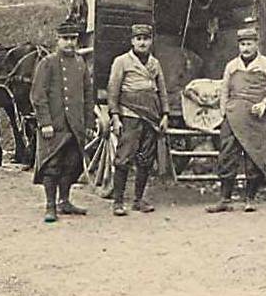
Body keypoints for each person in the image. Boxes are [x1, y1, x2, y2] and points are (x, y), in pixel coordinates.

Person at [207, 26, 266, 213]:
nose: (246, 48)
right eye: (242, 44)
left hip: (256, 118)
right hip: (233, 118)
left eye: (249, 43)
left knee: (254, 157)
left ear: (257, 44)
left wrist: (265, 104)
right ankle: (225, 199)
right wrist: (224, 113)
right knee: (227, 156)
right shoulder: (232, 66)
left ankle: (250, 199)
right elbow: (224, 91)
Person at [30, 19, 94, 223]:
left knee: (72, 164)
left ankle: (64, 201)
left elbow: (87, 95)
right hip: (54, 125)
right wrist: (45, 122)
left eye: (73, 39)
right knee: (52, 165)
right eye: (65, 39)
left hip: (74, 125)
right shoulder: (47, 63)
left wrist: (89, 123)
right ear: (57, 40)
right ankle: (50, 206)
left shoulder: (80, 63)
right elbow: (38, 95)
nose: (69, 43)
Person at [107, 23, 170, 216]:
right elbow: (113, 90)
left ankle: (138, 200)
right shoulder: (122, 61)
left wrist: (165, 114)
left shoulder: (155, 63)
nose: (142, 43)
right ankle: (117, 202)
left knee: (146, 159)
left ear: (151, 41)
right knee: (124, 157)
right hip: (130, 114)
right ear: (132, 41)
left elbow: (162, 91)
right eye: (139, 39)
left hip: (151, 116)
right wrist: (115, 116)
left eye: (146, 39)